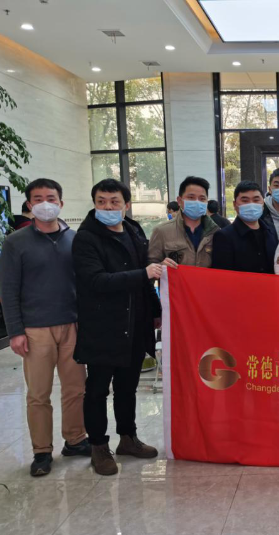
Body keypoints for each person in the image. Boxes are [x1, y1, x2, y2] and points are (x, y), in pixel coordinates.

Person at [0, 178, 89, 477]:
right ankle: (42, 450)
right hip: (35, 329)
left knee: (76, 389)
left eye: (51, 198)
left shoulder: (75, 239)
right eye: (38, 199)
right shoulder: (15, 242)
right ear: (29, 205)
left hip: (72, 325)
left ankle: (75, 439)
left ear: (61, 203)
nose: (45, 204)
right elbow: (8, 289)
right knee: (38, 394)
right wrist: (15, 331)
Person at [72, 179, 162, 476]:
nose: (108, 207)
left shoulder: (134, 231)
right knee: (97, 389)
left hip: (135, 323)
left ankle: (128, 438)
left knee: (128, 387)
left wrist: (156, 311)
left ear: (126, 205)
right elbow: (95, 281)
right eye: (101, 201)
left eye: (114, 202)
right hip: (103, 325)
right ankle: (98, 446)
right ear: (94, 203)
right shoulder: (86, 238)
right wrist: (143, 274)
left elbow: (145, 281)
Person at [148, 177, 219, 269]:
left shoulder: (216, 232)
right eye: (191, 197)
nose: (197, 202)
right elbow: (150, 265)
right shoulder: (161, 231)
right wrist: (161, 266)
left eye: (202, 199)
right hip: (174, 279)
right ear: (179, 201)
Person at [211, 181, 278, 273]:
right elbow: (222, 275)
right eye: (245, 200)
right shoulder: (224, 236)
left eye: (256, 200)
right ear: (235, 204)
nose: (251, 205)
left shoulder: (271, 231)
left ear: (263, 203)